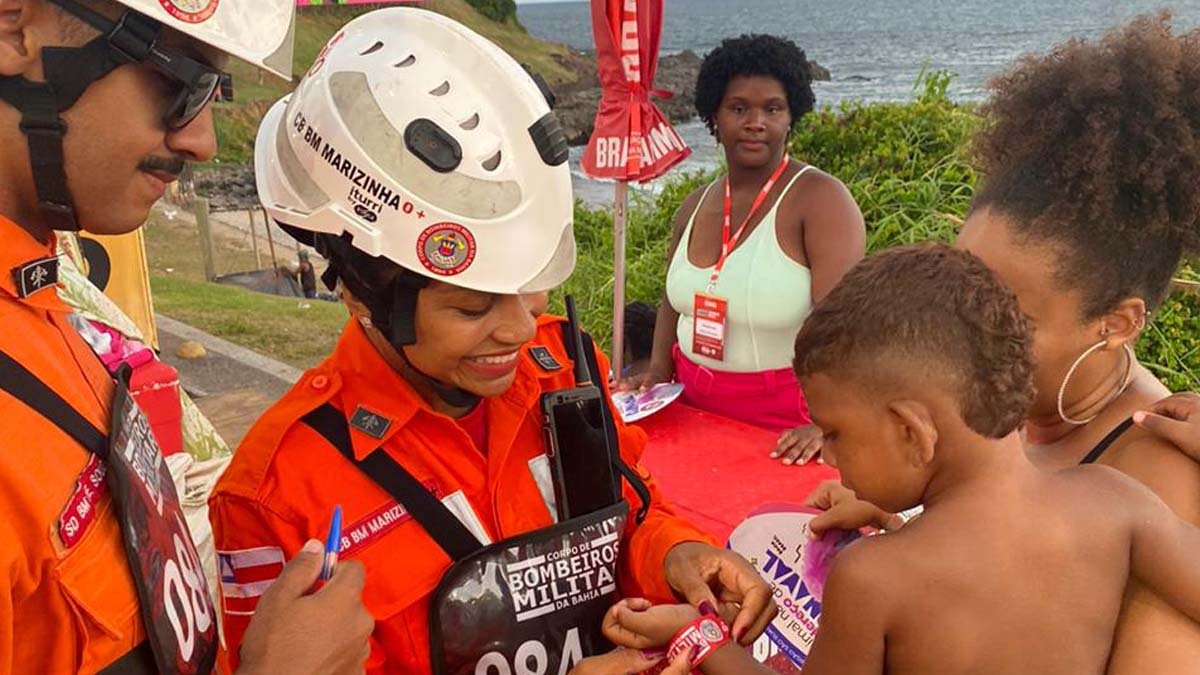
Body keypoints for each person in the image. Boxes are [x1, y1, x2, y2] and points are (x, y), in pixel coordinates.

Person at [209, 9, 774, 674]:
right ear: (360, 294)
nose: (518, 328)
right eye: (472, 306)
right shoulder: (275, 495)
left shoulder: (563, 364)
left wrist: (676, 554)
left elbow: (632, 510)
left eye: (529, 286)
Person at [806, 15, 1200, 673]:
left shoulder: (1159, 477)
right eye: (963, 289)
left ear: (1119, 321)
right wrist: (921, 524)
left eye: (1007, 313)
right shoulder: (1009, 404)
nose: (958, 330)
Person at [603, 244, 1200, 675]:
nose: (830, 457)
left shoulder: (875, 578)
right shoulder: (1113, 501)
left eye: (834, 432)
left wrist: (700, 635)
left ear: (912, 431)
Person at [0, 0, 374, 672]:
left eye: (213, 91)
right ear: (12, 28)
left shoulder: (41, 291)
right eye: (180, 84)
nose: (202, 141)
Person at [620, 34, 865, 437]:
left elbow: (847, 326)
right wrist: (657, 374)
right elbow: (670, 303)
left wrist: (829, 421)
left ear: (792, 117)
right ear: (714, 116)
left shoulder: (821, 200)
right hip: (689, 407)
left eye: (773, 108)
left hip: (785, 420)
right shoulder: (694, 205)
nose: (756, 122)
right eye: (738, 108)